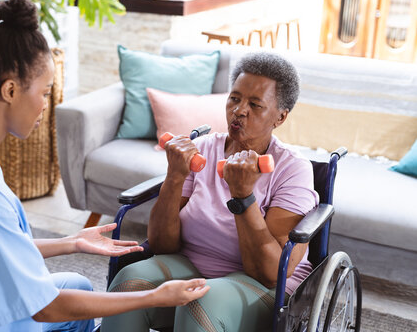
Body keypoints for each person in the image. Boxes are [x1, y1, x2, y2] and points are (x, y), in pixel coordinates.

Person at [0, 0, 209, 332]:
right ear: (10, 90)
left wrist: (71, 242)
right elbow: (46, 309)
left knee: (78, 284)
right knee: (70, 308)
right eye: (44, 92)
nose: (46, 105)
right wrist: (155, 297)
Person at [101, 52, 319, 332]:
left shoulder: (293, 169)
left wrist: (243, 197)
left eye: (255, 104)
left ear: (280, 117)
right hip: (190, 264)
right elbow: (161, 245)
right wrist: (175, 176)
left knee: (200, 303)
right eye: (235, 98)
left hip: (261, 286)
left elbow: (269, 272)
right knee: (128, 280)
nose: (240, 110)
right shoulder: (203, 148)